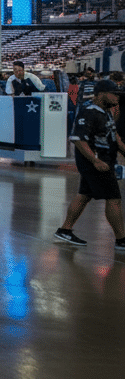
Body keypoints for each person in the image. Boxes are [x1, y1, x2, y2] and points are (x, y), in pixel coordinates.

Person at [54, 80, 125, 251]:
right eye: (114, 94)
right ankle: (121, 240)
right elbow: (79, 139)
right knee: (114, 199)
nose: (117, 97)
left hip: (104, 161)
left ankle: (65, 230)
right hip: (96, 164)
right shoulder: (89, 112)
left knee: (84, 195)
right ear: (101, 94)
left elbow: (114, 136)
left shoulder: (106, 112)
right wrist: (95, 161)